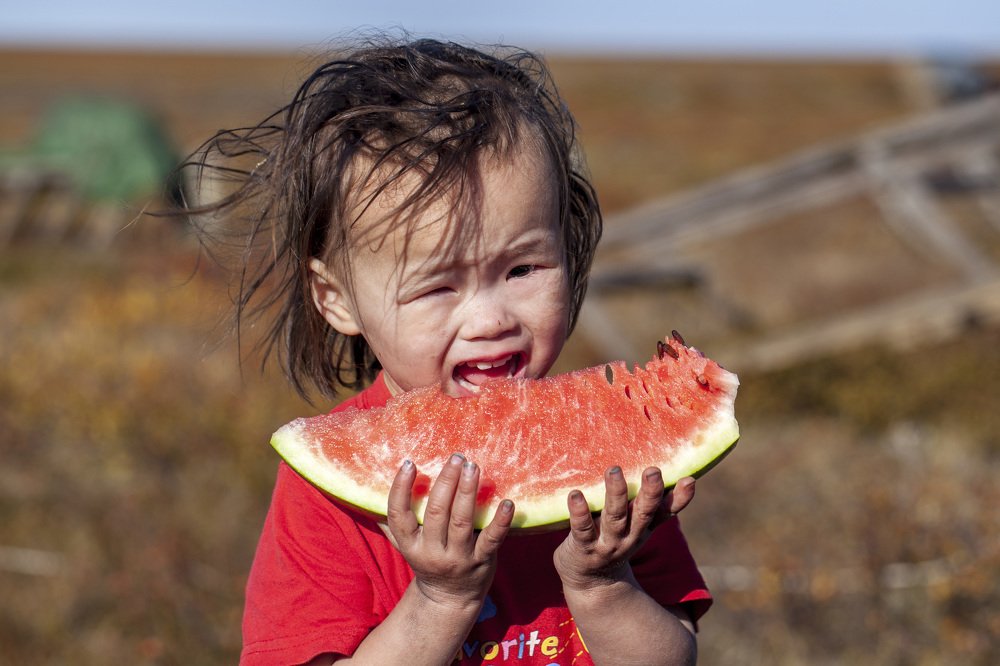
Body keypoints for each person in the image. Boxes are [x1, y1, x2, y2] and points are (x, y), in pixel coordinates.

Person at [185, 36, 711, 665]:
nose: (490, 319)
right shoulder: (321, 497)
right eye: (437, 285)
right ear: (337, 299)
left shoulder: (616, 472)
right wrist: (440, 599)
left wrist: (602, 584)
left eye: (523, 269)